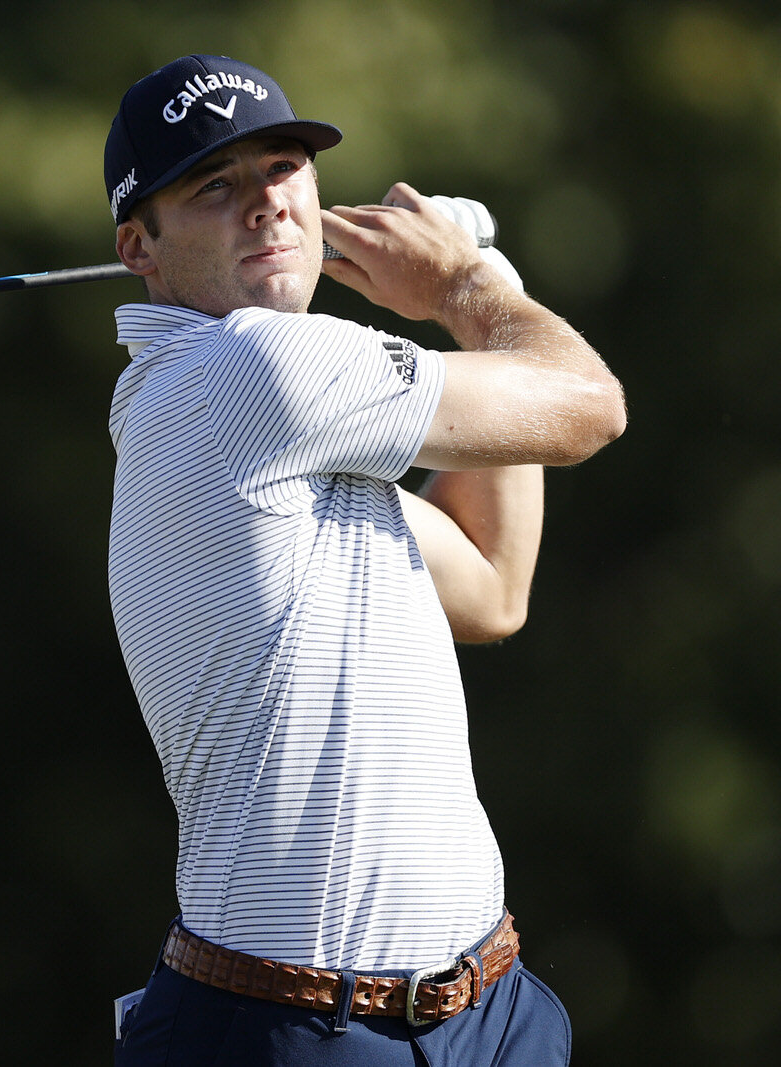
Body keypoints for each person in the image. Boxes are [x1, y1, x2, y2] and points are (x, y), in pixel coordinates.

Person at [102, 55, 626, 1066]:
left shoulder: (267, 435)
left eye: (283, 167)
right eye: (215, 185)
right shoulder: (244, 371)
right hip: (288, 1032)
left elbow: (490, 579)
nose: (266, 203)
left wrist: (484, 293)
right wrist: (465, 284)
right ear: (140, 248)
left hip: (488, 1010)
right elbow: (589, 405)